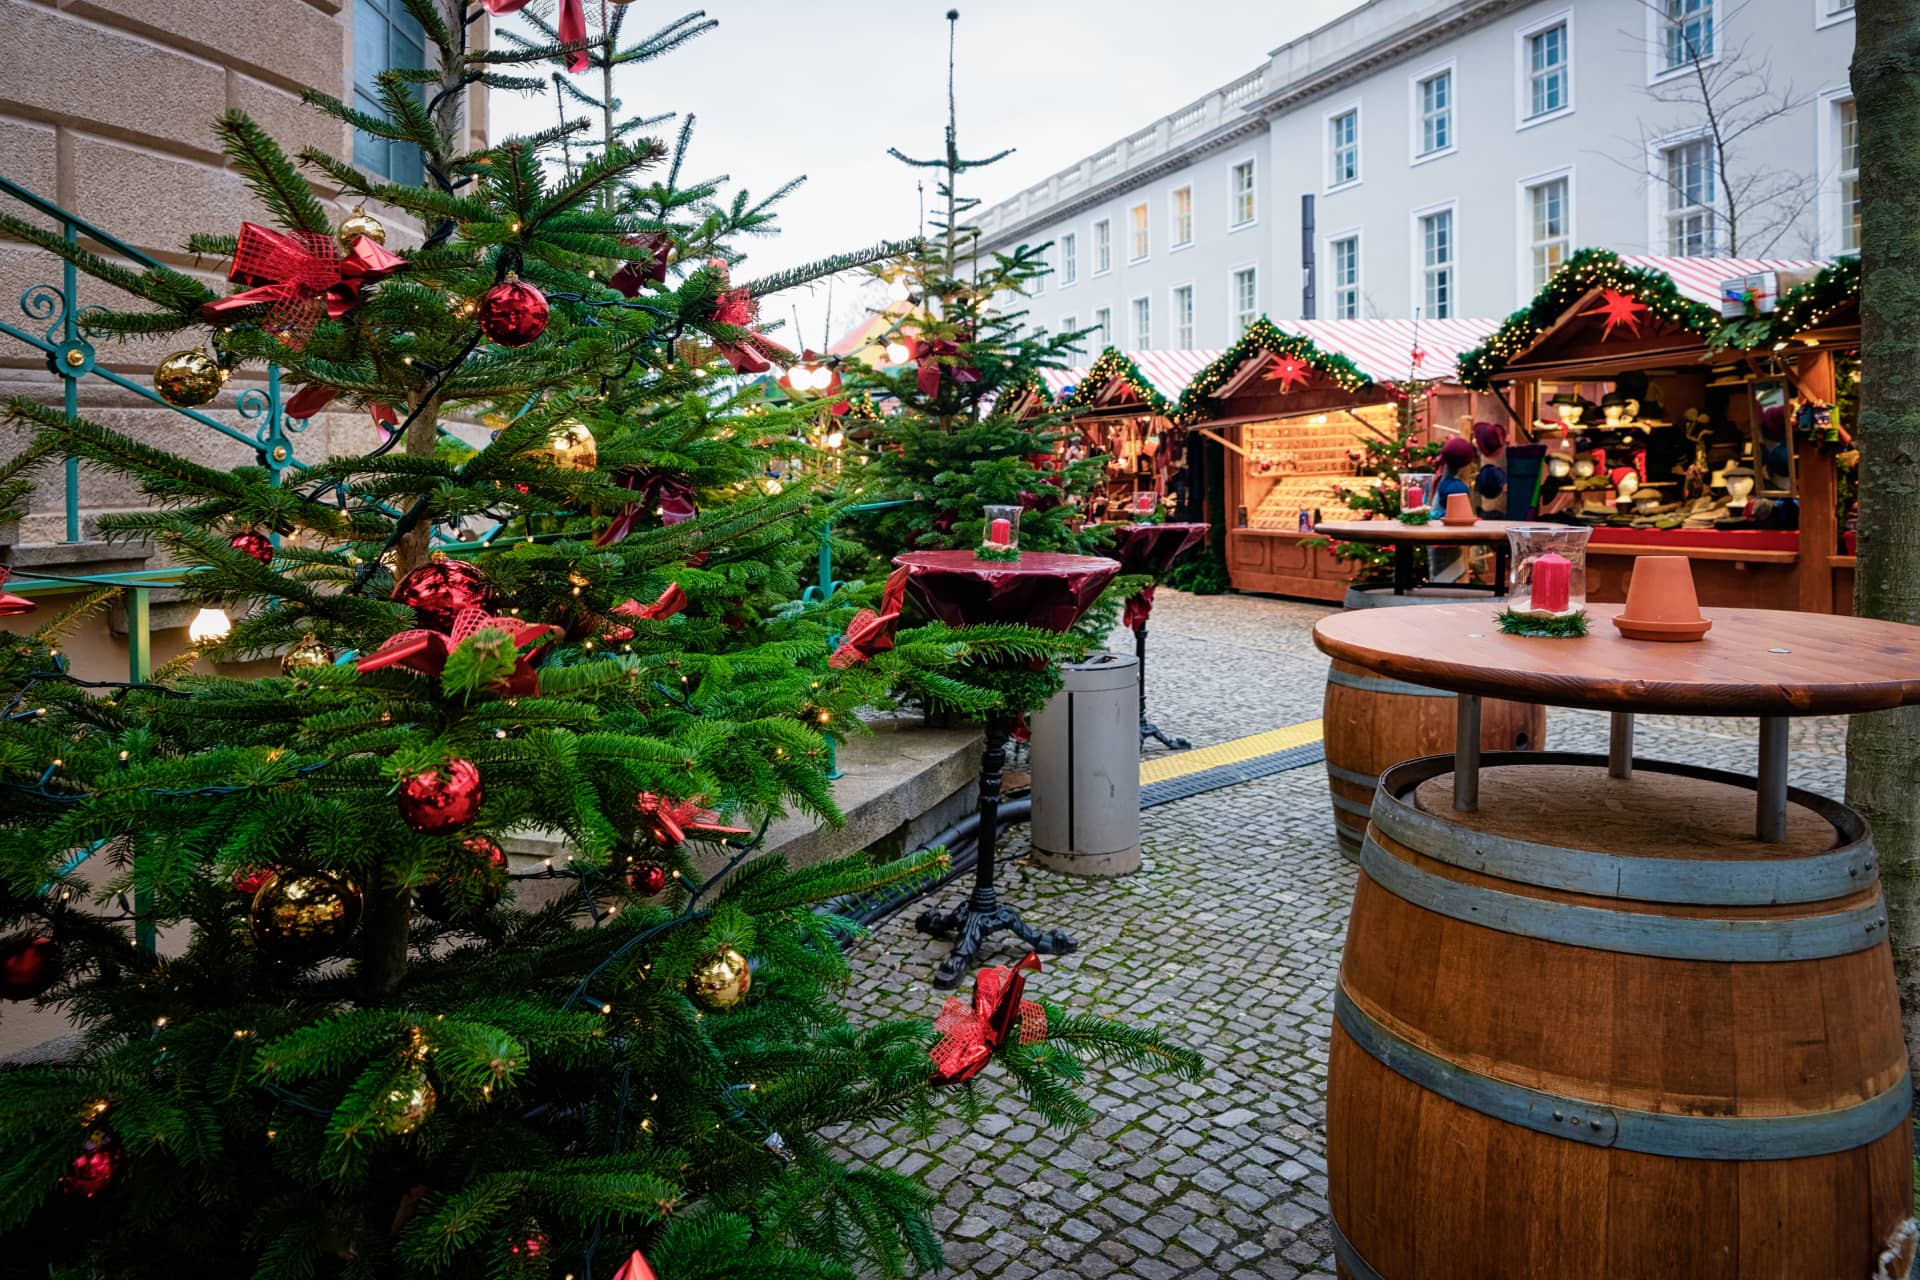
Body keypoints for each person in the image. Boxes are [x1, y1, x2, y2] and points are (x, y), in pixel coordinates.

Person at [1428, 436, 1477, 583]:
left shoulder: (1442, 481)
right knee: (1446, 581)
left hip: (1439, 539)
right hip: (1446, 541)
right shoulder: (1455, 487)